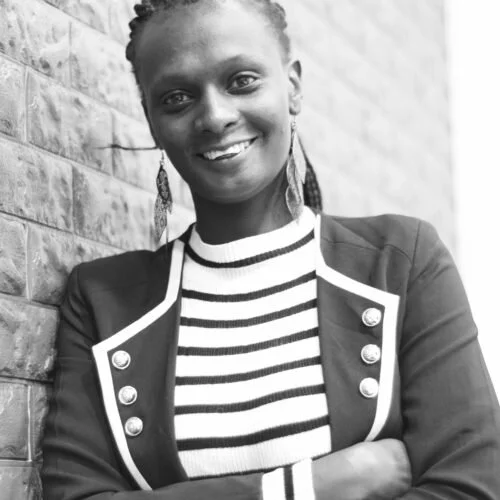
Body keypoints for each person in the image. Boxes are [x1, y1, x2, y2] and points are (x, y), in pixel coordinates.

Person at [41, 0, 500, 499]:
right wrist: (310, 486)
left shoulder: (400, 263)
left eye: (241, 81)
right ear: (152, 121)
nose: (215, 116)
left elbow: (472, 486)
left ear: (293, 86)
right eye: (176, 98)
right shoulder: (104, 303)